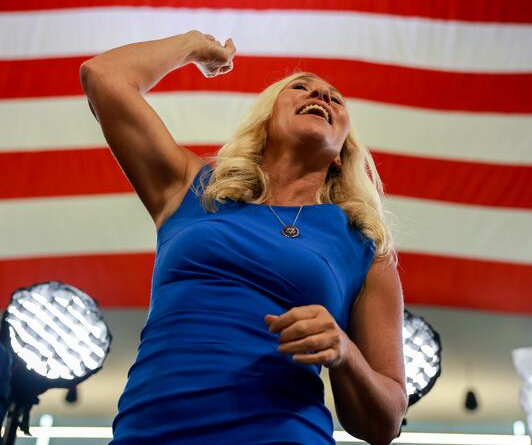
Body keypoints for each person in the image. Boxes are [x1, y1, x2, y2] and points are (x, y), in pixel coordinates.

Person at [79, 30, 407, 444]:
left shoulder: (365, 248)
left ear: (342, 154)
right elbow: (103, 75)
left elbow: (386, 421)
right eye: (301, 88)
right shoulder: (192, 189)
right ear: (265, 123)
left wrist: (345, 353)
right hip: (151, 432)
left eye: (335, 98)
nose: (321, 94)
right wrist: (194, 46)